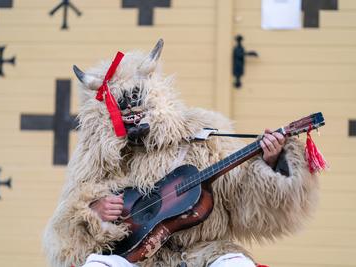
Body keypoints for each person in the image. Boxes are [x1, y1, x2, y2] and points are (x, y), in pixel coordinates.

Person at [43, 39, 319, 267]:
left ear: (156, 97)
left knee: (235, 265)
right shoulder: (94, 158)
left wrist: (270, 162)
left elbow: (243, 199)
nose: (133, 116)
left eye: (139, 105)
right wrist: (93, 211)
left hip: (205, 251)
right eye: (122, 111)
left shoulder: (200, 133)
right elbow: (65, 231)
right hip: (132, 258)